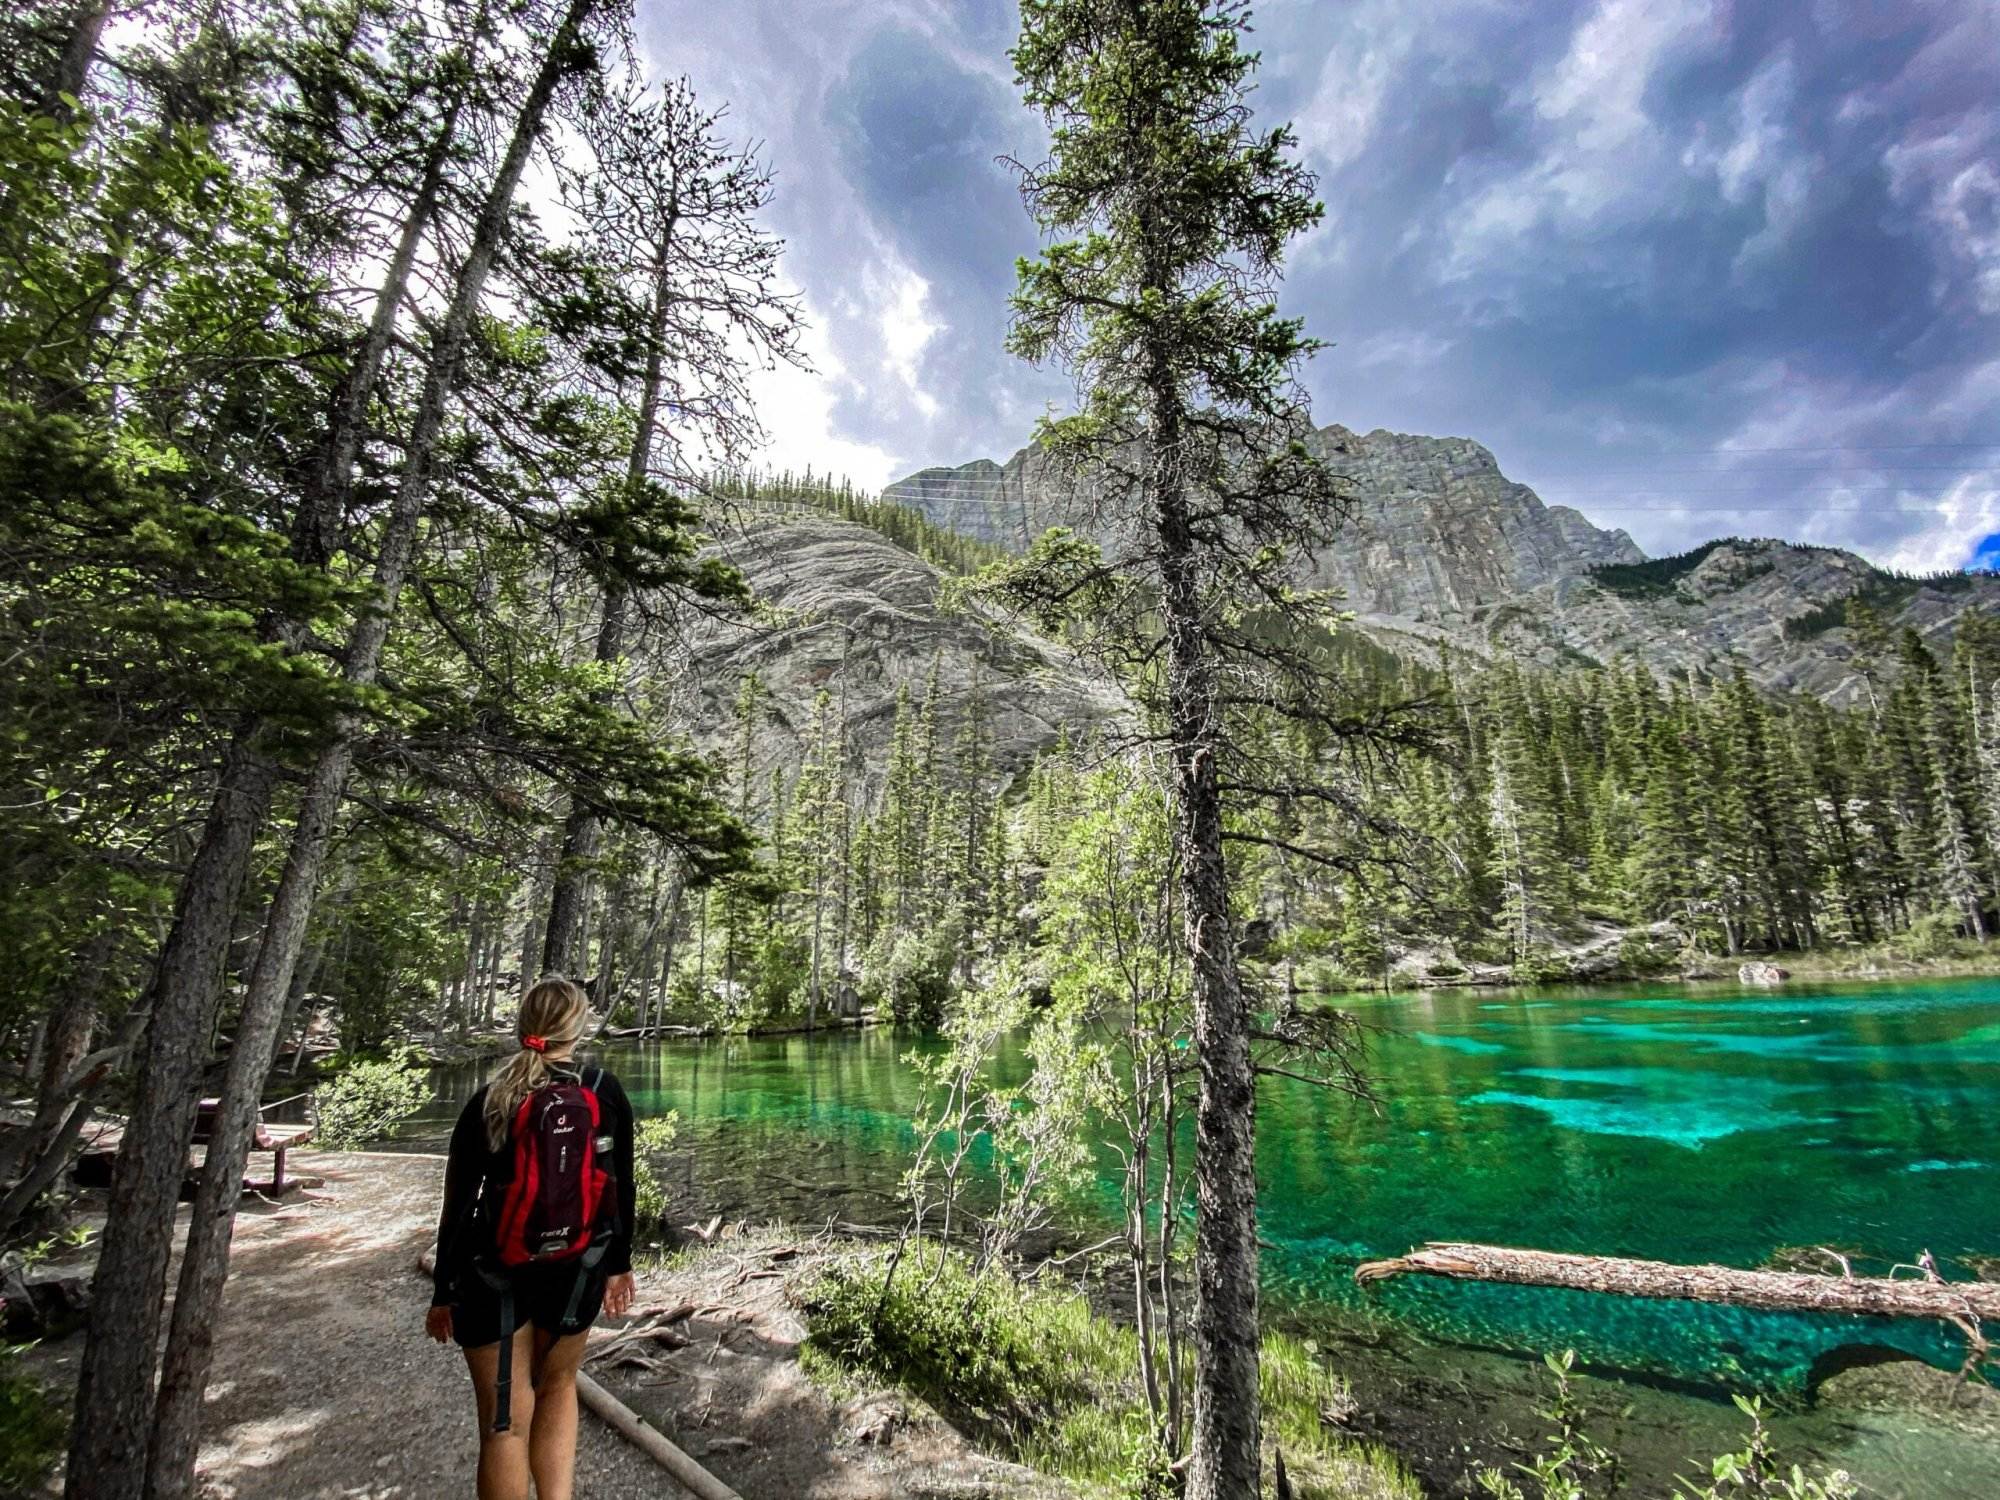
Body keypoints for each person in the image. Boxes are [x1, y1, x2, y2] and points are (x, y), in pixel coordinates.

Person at [426, 976, 638, 1500]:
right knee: (559, 1386)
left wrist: (443, 1292)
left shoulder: (489, 1099)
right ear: (579, 1028)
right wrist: (617, 1264)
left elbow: (458, 1206)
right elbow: (620, 1186)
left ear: (525, 1028)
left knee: (504, 1423)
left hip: (490, 1271)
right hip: (574, 1270)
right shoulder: (602, 1090)